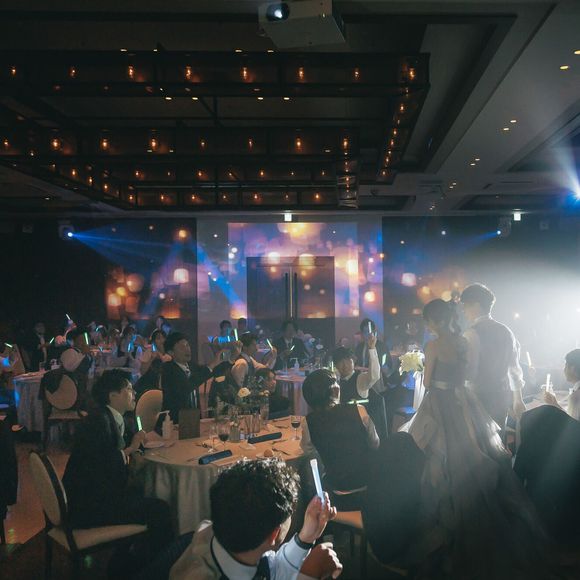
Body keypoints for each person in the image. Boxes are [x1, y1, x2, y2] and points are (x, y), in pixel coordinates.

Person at [400, 299, 550, 578]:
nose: (428, 326)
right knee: (469, 455)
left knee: (436, 456)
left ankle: (441, 528)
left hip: (439, 403)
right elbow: (467, 375)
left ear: (434, 321)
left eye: (428, 321)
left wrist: (420, 369)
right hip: (463, 403)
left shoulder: (433, 346)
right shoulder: (462, 342)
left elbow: (428, 382)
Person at [63, 370, 173, 573]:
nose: (134, 393)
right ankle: (154, 570)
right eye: (129, 389)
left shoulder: (113, 417)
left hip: (98, 496)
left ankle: (125, 561)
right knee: (161, 510)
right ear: (113, 395)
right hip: (88, 506)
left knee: (146, 494)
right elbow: (98, 466)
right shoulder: (97, 423)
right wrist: (130, 450)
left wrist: (134, 451)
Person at [169, 458, 342, 580]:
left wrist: (306, 538)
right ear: (274, 534)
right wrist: (309, 575)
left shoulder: (230, 537)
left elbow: (272, 570)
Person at [301, 368, 379, 510]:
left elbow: (308, 451)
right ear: (335, 390)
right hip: (368, 490)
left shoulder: (308, 422)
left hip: (336, 494)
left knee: (307, 476)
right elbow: (375, 444)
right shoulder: (359, 410)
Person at [461, 283, 526, 424]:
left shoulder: (471, 333)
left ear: (476, 305)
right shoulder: (507, 331)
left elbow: (469, 373)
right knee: (499, 434)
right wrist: (518, 399)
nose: (463, 310)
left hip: (477, 398)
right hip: (501, 397)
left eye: (465, 305)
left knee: (476, 436)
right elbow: (514, 369)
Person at [161, 332, 224, 422]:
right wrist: (211, 365)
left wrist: (231, 359)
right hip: (175, 421)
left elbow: (212, 372)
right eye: (182, 347)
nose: (187, 349)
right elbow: (187, 386)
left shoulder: (191, 366)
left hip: (194, 419)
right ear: (171, 352)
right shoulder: (168, 370)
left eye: (187, 345)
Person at [543, 348, 580, 421]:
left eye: (565, 365)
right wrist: (555, 404)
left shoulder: (576, 397)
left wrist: (554, 406)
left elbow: (571, 424)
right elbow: (570, 417)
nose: (564, 369)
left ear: (572, 368)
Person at [134, 330, 171, 396]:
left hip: (165, 387)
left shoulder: (170, 353)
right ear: (154, 342)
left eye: (163, 337)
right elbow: (142, 371)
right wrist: (152, 359)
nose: (162, 340)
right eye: (158, 338)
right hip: (148, 387)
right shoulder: (149, 352)